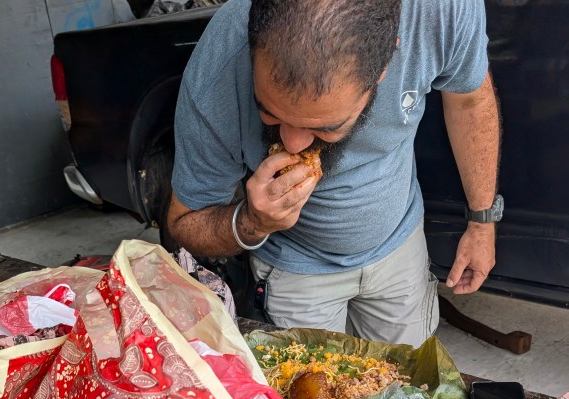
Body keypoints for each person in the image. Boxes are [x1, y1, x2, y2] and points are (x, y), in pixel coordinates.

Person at [166, 0, 502, 345]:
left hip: (400, 249)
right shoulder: (220, 65)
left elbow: (469, 101)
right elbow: (184, 222)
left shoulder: (441, 11)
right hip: (295, 271)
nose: (293, 144)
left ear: (384, 66)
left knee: (408, 376)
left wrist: (482, 222)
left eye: (325, 127)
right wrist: (252, 221)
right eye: (269, 113)